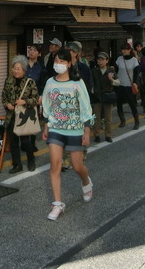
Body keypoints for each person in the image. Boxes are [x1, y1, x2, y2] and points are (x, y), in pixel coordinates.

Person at [42, 48, 94, 221]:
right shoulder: (50, 82)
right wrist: (47, 125)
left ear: (70, 64)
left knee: (77, 165)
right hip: (56, 128)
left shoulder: (77, 83)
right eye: (57, 60)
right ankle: (57, 204)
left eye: (63, 61)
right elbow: (47, 105)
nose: (59, 64)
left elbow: (86, 107)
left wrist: (87, 129)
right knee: (55, 164)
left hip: (75, 129)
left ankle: (86, 181)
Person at [1, 56, 38, 173]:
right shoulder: (8, 80)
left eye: (18, 68)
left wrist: (25, 102)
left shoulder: (30, 82)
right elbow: (3, 96)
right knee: (13, 142)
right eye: (14, 68)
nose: (15, 70)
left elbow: (36, 99)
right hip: (11, 116)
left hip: (23, 117)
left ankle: (31, 160)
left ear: (24, 70)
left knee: (26, 141)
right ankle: (17, 165)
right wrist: (7, 104)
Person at [90, 52, 119, 143]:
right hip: (96, 96)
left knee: (108, 117)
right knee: (96, 117)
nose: (100, 61)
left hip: (107, 96)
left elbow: (118, 82)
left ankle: (108, 135)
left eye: (102, 59)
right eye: (99, 59)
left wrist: (111, 79)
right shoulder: (94, 71)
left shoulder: (111, 70)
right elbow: (91, 83)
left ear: (107, 60)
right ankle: (97, 135)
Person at [114, 43, 140, 130]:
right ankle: (122, 120)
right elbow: (115, 70)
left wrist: (135, 82)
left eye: (125, 49)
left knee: (132, 104)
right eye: (122, 49)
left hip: (130, 85)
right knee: (119, 104)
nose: (123, 51)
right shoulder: (119, 59)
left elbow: (136, 73)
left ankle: (136, 121)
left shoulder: (134, 60)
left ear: (129, 50)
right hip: (120, 85)